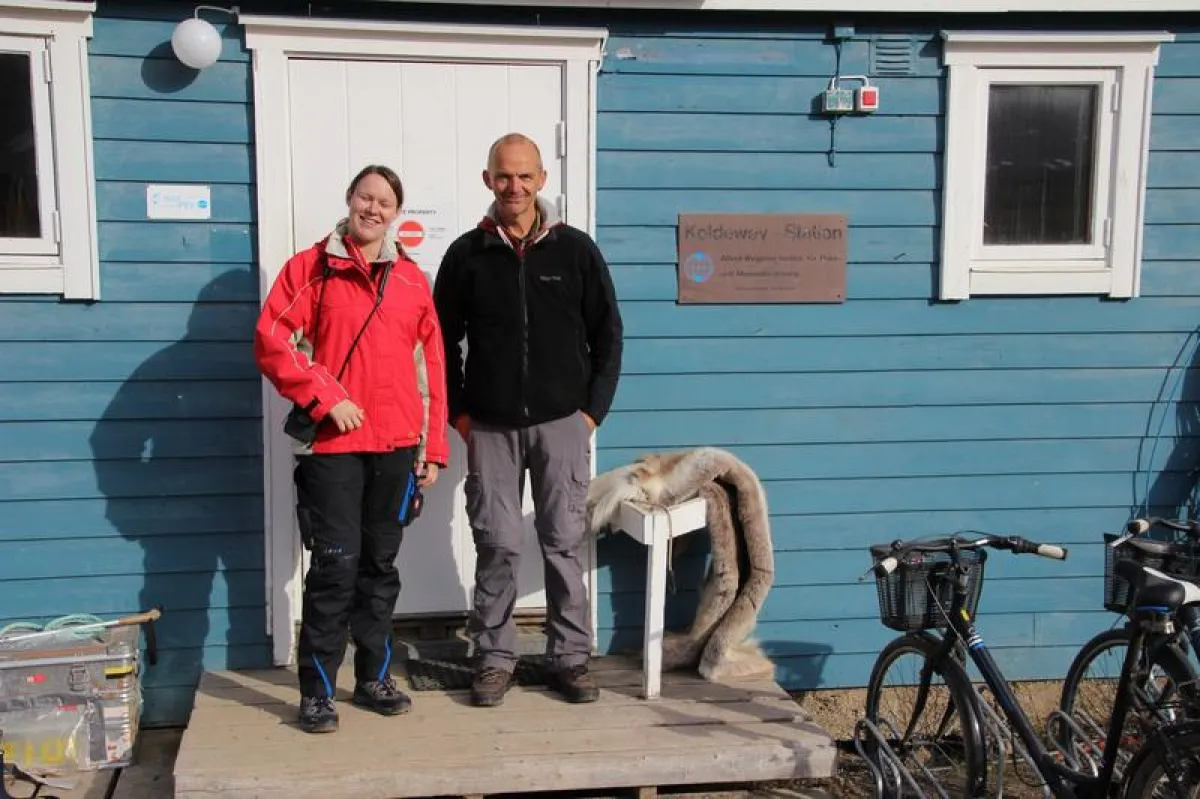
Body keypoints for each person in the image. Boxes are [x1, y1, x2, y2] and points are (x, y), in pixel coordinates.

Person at [255, 165, 449, 733]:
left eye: (385, 201)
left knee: (378, 568)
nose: (374, 208)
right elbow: (273, 341)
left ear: (396, 213)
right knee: (335, 570)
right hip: (334, 449)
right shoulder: (310, 269)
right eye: (366, 196)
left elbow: (431, 368)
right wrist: (323, 398)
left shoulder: (413, 280)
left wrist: (431, 446)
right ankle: (317, 691)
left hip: (395, 446)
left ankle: (372, 678)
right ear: (349, 200)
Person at [434, 133, 624, 707]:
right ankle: (494, 658)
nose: (512, 187)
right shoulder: (467, 255)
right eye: (502, 176)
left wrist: (590, 413)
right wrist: (459, 412)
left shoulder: (576, 251)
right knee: (497, 543)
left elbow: (607, 334)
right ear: (487, 179)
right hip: (489, 427)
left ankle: (569, 658)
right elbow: (440, 341)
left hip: (563, 422)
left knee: (563, 541)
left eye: (523, 176)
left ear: (541, 179)